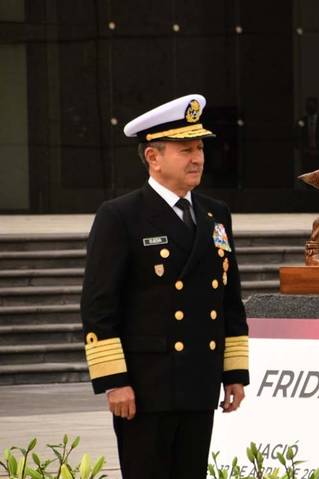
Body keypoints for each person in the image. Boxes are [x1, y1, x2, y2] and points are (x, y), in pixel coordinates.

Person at [80, 94, 250, 479]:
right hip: (146, 387)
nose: (198, 158)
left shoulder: (214, 213)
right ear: (153, 157)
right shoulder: (120, 215)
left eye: (200, 148)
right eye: (185, 150)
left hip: (199, 381)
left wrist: (234, 372)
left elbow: (228, 298)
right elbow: (99, 306)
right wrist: (114, 381)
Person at [295, 97, 319, 173]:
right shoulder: (302, 121)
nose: (310, 108)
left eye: (312, 105)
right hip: (307, 156)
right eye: (308, 106)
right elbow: (297, 136)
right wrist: (305, 149)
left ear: (316, 106)